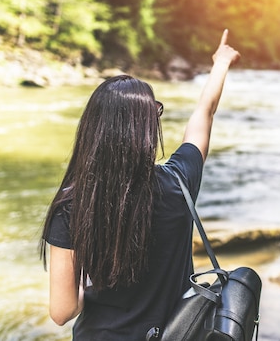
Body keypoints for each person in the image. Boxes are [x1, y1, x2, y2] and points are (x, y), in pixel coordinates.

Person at [40, 30, 240, 340]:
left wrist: (84, 284)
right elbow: (204, 114)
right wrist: (221, 62)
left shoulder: (72, 206)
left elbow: (62, 311)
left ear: (93, 129)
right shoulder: (180, 181)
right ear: (147, 128)